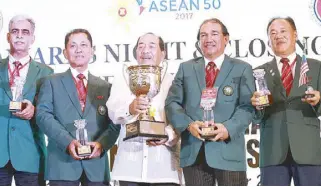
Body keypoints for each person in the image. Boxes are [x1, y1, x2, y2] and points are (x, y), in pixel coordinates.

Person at [165, 18, 255, 186]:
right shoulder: (186, 68)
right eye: (203, 35)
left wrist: (228, 128)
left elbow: (248, 107)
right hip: (194, 153)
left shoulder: (242, 68)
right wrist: (189, 125)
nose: (208, 39)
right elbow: (172, 104)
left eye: (214, 34)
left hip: (229, 152)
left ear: (226, 39)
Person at [36, 28, 120, 186]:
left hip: (96, 168)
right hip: (61, 165)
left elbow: (115, 124)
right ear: (65, 52)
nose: (79, 50)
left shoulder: (106, 87)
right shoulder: (51, 82)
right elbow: (43, 116)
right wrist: (68, 142)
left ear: (92, 51)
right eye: (73, 45)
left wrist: (101, 144)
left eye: (84, 45)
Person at [251, 16, 321, 186]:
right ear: (268, 41)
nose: (278, 36)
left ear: (295, 35)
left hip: (308, 150)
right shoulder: (259, 73)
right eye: (273, 33)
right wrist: (256, 105)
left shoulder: (316, 67)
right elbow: (255, 116)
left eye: (283, 31)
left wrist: (319, 100)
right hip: (273, 150)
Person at [106, 33, 182, 185]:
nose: (145, 50)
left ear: (163, 54)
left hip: (164, 169)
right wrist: (131, 108)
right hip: (129, 167)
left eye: (152, 46)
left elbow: (181, 119)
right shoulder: (124, 78)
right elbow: (113, 112)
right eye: (141, 46)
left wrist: (167, 135)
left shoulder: (172, 82)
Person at [0, 15, 53, 186]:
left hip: (31, 152)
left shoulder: (46, 72)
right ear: (8, 36)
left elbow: (52, 111)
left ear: (32, 38)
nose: (20, 35)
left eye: (25, 32)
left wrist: (35, 111)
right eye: (15, 31)